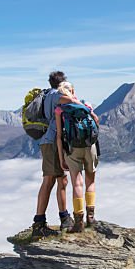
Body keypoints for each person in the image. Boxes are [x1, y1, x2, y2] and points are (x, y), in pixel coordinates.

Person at [30, 71, 73, 238]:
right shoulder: (56, 95)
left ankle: (60, 218)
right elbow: (68, 101)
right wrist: (71, 94)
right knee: (52, 180)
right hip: (52, 142)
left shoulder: (47, 94)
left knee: (58, 179)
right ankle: (41, 223)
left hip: (48, 141)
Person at [54, 81, 100, 233]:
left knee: (77, 183)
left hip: (73, 149)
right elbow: (96, 122)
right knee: (90, 181)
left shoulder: (59, 110)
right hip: (90, 146)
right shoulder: (85, 105)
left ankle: (78, 222)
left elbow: (59, 136)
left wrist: (61, 158)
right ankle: (91, 218)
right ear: (73, 90)